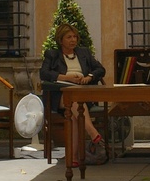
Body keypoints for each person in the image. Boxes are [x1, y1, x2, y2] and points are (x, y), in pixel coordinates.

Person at [40, 23, 107, 166]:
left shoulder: (84, 53)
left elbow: (100, 70)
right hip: (59, 96)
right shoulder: (52, 54)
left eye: (75, 37)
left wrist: (89, 77)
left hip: (82, 95)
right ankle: (92, 132)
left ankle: (73, 158)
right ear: (61, 39)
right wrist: (67, 78)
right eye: (69, 37)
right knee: (74, 102)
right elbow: (44, 74)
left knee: (74, 114)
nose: (73, 40)